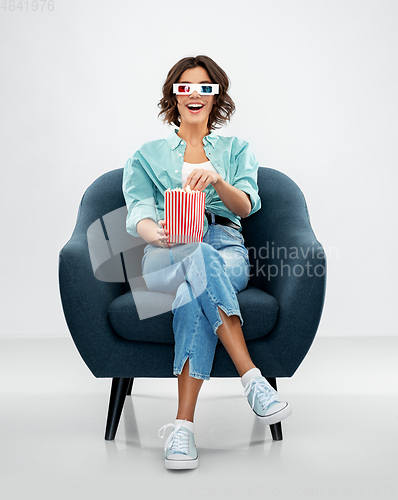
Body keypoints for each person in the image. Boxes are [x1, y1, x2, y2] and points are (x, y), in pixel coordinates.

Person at [122, 55, 291, 470]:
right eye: (184, 87)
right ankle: (252, 378)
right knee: (193, 256)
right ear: (173, 96)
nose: (194, 94)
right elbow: (137, 209)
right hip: (166, 250)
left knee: (191, 287)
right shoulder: (148, 154)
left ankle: (182, 428)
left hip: (226, 245)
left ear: (216, 97)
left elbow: (247, 206)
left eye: (204, 87)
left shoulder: (236, 150)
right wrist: (152, 232)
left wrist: (217, 179)